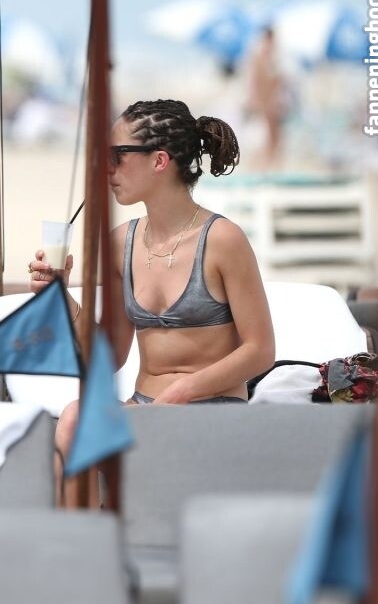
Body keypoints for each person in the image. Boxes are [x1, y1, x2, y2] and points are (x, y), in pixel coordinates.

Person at [28, 99, 275, 502]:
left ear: (160, 160)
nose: (107, 168)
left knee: (78, 421)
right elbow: (110, 356)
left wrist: (183, 391)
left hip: (213, 409)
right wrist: (62, 298)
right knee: (76, 418)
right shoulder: (120, 243)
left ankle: (82, 535)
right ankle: (81, 536)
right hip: (144, 408)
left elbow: (260, 350)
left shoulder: (222, 240)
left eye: (117, 156)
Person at [245, 27, 289, 168]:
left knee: (274, 137)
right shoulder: (261, 58)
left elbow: (263, 82)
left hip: (270, 102)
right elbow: (258, 81)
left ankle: (268, 166)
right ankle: (264, 166)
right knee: (268, 137)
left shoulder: (268, 57)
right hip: (266, 102)